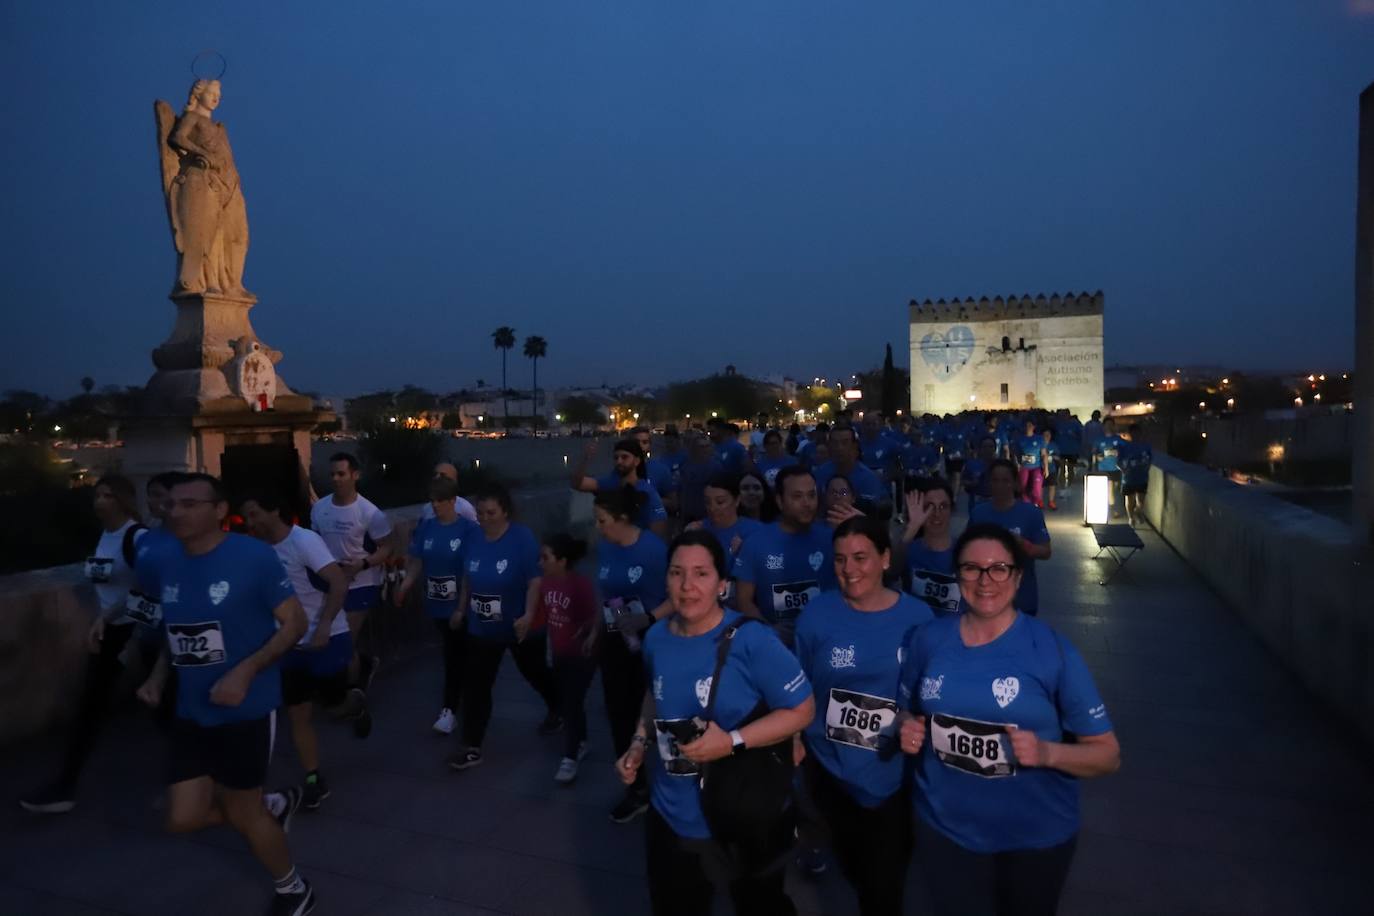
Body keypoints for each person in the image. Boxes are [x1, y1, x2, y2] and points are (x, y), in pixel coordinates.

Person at [897, 524, 1121, 916]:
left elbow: (1107, 755)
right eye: (971, 568)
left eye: (999, 568)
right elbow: (907, 708)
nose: (985, 580)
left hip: (1034, 838)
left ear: (1017, 577)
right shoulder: (928, 639)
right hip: (946, 831)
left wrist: (1047, 752)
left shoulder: (1052, 650)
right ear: (957, 575)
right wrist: (906, 726)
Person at [134, 473, 315, 916]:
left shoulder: (252, 557)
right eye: (172, 504)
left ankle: (294, 889)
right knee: (181, 818)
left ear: (219, 510)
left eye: (190, 503)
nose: (176, 512)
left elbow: (295, 624)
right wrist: (159, 676)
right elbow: (175, 630)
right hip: (191, 711)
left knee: (242, 812)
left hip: (246, 709)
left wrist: (246, 671)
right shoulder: (164, 560)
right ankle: (270, 806)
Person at [616, 530, 815, 916]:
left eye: (701, 574)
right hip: (672, 815)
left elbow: (802, 709)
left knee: (760, 904)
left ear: (723, 584)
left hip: (742, 814)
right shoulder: (657, 637)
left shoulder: (751, 641)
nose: (687, 586)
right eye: (677, 573)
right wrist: (638, 743)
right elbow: (653, 694)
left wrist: (732, 741)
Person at [794, 517, 932, 916]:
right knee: (853, 867)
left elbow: (932, 691)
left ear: (885, 559)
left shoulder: (919, 619)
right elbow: (799, 688)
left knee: (884, 886)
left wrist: (912, 721)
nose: (849, 570)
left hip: (894, 778)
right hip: (830, 773)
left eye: (860, 558)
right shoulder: (816, 616)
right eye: (840, 560)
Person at [20, 475, 151, 814]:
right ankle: (66, 783)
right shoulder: (106, 537)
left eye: (107, 495)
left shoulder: (137, 538)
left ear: (123, 500)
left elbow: (146, 586)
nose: (99, 502)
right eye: (97, 495)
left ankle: (66, 785)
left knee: (96, 708)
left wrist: (108, 619)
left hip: (128, 632)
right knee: (91, 708)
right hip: (107, 632)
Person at [242, 489, 359, 810]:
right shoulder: (255, 551)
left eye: (254, 514)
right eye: (245, 515)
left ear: (274, 511)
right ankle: (313, 777)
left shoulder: (303, 541)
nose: (248, 522)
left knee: (334, 704)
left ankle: (354, 704)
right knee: (298, 713)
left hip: (328, 637)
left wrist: (323, 625)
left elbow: (338, 582)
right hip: (288, 644)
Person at [451, 483, 559, 770]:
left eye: (490, 512)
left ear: (505, 511)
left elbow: (535, 580)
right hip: (482, 626)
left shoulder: (521, 538)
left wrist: (527, 615)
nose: (484, 518)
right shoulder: (473, 537)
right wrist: (461, 609)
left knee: (534, 671)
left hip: (518, 623)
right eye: (480, 512)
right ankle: (472, 745)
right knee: (476, 685)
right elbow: (467, 576)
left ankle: (558, 706)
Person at [594, 486, 670, 822]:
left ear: (622, 518)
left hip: (651, 640)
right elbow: (605, 593)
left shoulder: (653, 550)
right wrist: (595, 631)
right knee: (619, 714)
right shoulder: (605, 547)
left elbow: (678, 597)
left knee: (659, 712)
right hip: (615, 642)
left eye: (603, 520)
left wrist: (649, 617)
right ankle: (635, 786)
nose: (598, 527)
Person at [396, 476, 478, 735]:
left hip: (460, 606)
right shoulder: (427, 528)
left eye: (440, 501)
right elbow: (417, 561)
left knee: (455, 655)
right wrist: (405, 585)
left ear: (453, 501)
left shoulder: (469, 530)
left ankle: (450, 709)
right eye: (432, 501)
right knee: (454, 654)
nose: (435, 506)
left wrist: (461, 608)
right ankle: (463, 701)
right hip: (437, 604)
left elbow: (469, 571)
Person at [310, 452, 393, 699]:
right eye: (332, 474)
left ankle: (350, 694)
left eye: (341, 474)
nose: (336, 479)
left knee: (344, 639)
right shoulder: (320, 508)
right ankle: (356, 673)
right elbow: (315, 544)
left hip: (361, 584)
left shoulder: (369, 513)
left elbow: (387, 547)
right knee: (334, 639)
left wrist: (363, 564)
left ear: (355, 475)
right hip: (331, 584)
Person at [734, 466, 837, 645]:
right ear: (780, 501)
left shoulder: (832, 539)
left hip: (827, 642)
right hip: (776, 649)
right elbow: (743, 601)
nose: (807, 503)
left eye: (811, 495)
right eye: (797, 496)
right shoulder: (755, 543)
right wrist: (769, 633)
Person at [541, 533, 599, 784]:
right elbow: (548, 618)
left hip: (582, 656)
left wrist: (587, 633)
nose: (540, 562)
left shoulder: (580, 585)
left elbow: (596, 615)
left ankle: (570, 757)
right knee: (568, 701)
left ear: (562, 560)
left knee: (572, 703)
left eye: (545, 557)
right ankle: (582, 741)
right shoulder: (546, 583)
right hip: (559, 653)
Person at [969, 461, 1052, 616]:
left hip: (1021, 598)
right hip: (986, 597)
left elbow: (1046, 551)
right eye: (995, 480)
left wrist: (1024, 545)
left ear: (1015, 483)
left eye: (1005, 481)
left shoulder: (1031, 514)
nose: (1000, 486)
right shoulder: (978, 513)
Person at [689, 472, 764, 607]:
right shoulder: (696, 531)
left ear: (737, 500)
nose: (713, 508)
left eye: (720, 502)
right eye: (707, 502)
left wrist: (745, 555)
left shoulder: (756, 532)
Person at [570, 438, 670, 537]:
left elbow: (658, 532)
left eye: (624, 457)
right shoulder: (611, 483)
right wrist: (585, 458)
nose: (619, 461)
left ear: (637, 461)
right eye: (616, 457)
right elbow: (577, 484)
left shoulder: (648, 492)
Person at [901, 479, 960, 616]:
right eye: (929, 507)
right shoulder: (909, 549)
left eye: (943, 506)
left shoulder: (965, 551)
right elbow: (890, 572)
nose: (936, 514)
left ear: (951, 510)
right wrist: (912, 527)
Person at [813, 426, 887, 515]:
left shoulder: (868, 479)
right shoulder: (820, 473)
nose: (839, 447)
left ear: (854, 446)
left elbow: (872, 515)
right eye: (835, 443)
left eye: (845, 443)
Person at [678, 433, 722, 524]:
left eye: (707, 446)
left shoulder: (716, 467)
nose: (705, 449)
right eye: (701, 447)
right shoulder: (685, 465)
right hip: (687, 513)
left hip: (707, 514)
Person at [1119, 424, 1153, 527]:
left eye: (1137, 433)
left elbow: (1150, 459)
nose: (1135, 435)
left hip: (1142, 477)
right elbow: (1118, 461)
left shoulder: (1146, 446)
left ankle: (1138, 512)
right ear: (1129, 434)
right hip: (1128, 478)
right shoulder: (1124, 446)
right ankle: (1131, 518)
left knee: (1141, 500)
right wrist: (1123, 469)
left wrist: (1146, 467)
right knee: (1129, 499)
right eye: (1133, 433)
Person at [1014, 420, 1048, 509]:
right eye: (1026, 425)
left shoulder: (1039, 439)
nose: (1028, 427)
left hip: (1036, 467)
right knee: (1023, 486)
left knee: (1036, 487)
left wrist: (1046, 467)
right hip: (1024, 467)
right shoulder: (1019, 439)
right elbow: (1015, 453)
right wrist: (1017, 464)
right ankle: (1026, 505)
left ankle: (1035, 503)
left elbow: (1044, 454)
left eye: (1030, 425)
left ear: (1034, 427)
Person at [1041, 428, 1061, 511]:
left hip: (1052, 468)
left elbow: (1058, 457)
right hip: (1041, 468)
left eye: (1048, 435)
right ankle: (1040, 501)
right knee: (1040, 486)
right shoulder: (1040, 444)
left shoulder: (1053, 445)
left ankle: (1051, 501)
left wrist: (1052, 457)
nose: (1047, 437)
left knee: (1052, 485)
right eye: (1045, 435)